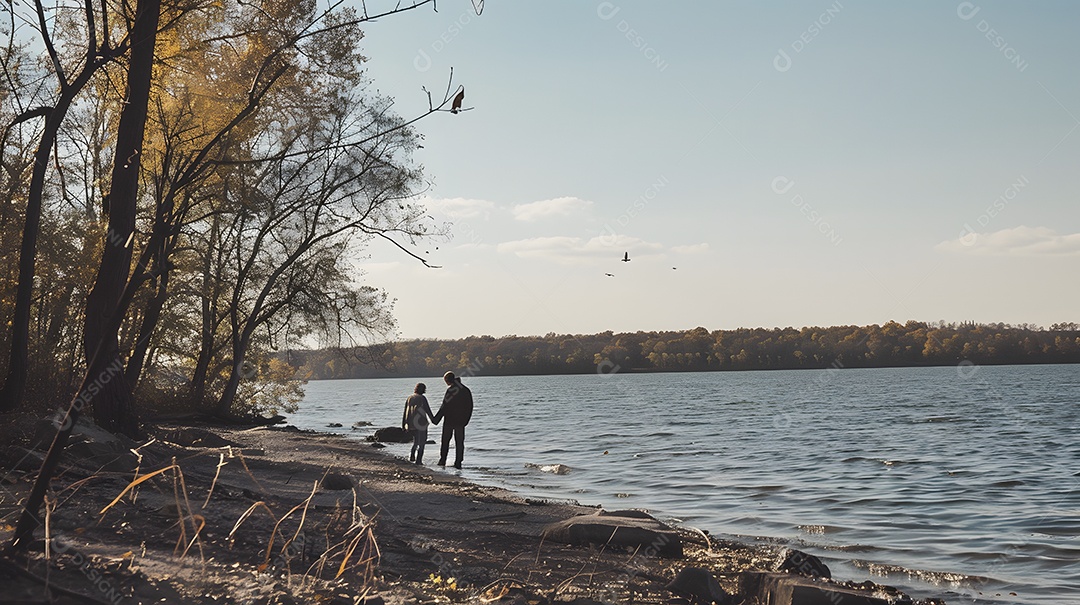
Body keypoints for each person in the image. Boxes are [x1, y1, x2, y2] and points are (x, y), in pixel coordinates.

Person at [433, 371, 473, 469]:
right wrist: (466, 420)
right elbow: (470, 406)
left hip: (449, 420)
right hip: (461, 421)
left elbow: (444, 406)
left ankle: (442, 460)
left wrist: (436, 419)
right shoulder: (465, 390)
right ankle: (458, 462)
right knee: (459, 442)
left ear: (447, 380)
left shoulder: (451, 390)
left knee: (445, 441)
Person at [401, 382, 435, 464]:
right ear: (423, 390)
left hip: (411, 424)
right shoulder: (422, 398)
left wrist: (403, 424)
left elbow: (405, 411)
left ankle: (412, 456)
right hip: (421, 424)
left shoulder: (409, 398)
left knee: (416, 441)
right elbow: (427, 410)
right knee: (422, 443)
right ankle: (419, 460)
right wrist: (434, 420)